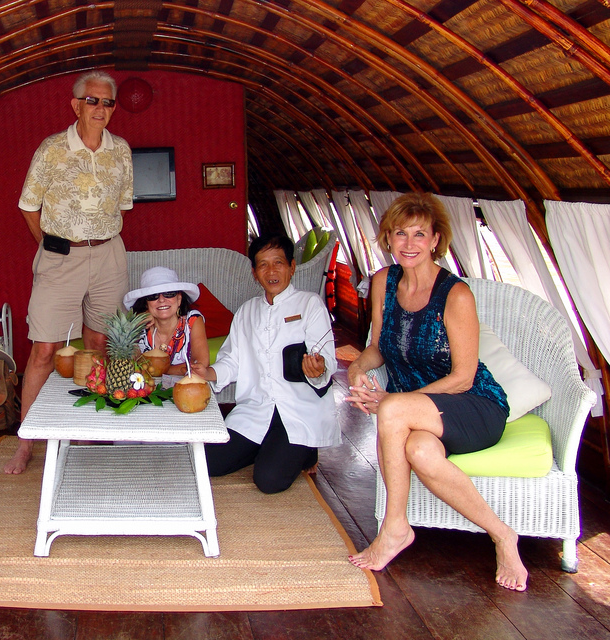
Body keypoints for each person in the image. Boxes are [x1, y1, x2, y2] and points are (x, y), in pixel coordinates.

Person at [344, 192, 526, 591]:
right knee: (420, 450)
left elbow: (464, 376)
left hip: (474, 406)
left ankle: (394, 528)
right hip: (421, 412)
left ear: (435, 240)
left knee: (391, 412)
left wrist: (400, 403)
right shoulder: (383, 282)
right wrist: (357, 366)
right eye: (400, 234)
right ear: (388, 238)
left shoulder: (455, 295)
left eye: (419, 234)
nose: (409, 244)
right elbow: (379, 346)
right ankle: (503, 535)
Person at [5, 70, 134, 474]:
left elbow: (123, 207)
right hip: (61, 258)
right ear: (76, 105)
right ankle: (28, 441)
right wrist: (50, 243)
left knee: (99, 344)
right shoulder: (52, 148)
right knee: (44, 350)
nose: (100, 108)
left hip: (109, 256)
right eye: (92, 100)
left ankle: (89, 432)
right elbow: (29, 205)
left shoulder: (122, 151)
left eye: (108, 102)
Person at [201, 234, 338, 494]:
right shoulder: (247, 311)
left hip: (298, 411)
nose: (271, 271)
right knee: (209, 463)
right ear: (254, 272)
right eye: (263, 264)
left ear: (292, 267)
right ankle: (270, 446)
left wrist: (318, 369)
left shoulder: (310, 305)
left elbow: (327, 359)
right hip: (256, 410)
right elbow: (232, 360)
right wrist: (208, 372)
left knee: (269, 481)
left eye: (278, 263)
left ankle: (305, 451)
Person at [123, 266, 210, 378]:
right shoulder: (139, 326)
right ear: (146, 303)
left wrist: (158, 369)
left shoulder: (192, 320)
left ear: (179, 299)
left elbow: (200, 365)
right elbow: (127, 365)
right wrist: (135, 327)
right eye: (153, 296)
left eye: (169, 293)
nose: (162, 300)